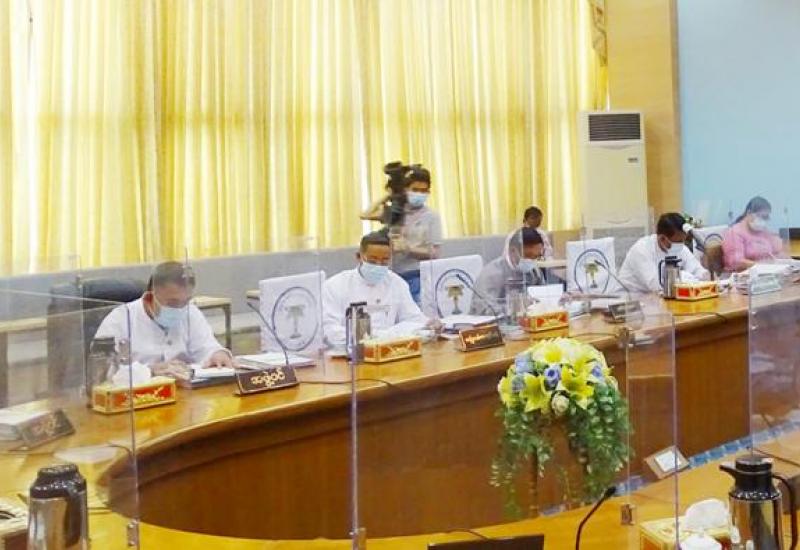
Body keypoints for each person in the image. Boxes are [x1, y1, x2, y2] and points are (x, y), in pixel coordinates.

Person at [95, 261, 234, 371]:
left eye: (185, 301)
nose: (179, 309)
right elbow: (103, 371)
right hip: (139, 394)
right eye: (172, 302)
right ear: (150, 296)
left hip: (185, 392)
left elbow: (207, 347)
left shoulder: (190, 312)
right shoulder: (120, 319)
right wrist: (149, 371)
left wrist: (217, 354)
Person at [322, 231, 431, 345]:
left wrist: (428, 324)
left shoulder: (396, 283)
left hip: (389, 348)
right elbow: (329, 330)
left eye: (384, 261)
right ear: (359, 257)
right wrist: (371, 338)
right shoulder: (335, 285)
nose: (378, 266)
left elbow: (414, 319)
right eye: (372, 261)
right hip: (351, 349)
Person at [361, 165, 442, 302]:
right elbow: (365, 214)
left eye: (423, 191)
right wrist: (389, 195)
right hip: (393, 274)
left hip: (417, 275)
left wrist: (408, 248)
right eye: (415, 190)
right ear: (406, 190)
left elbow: (435, 253)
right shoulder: (396, 213)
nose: (419, 194)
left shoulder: (431, 216)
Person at [618, 213, 709, 294]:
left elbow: (697, 270)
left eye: (683, 241)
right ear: (662, 238)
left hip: (658, 297)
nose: (681, 244)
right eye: (678, 241)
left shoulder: (680, 248)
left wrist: (708, 277)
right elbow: (655, 285)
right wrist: (683, 277)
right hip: (631, 298)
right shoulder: (641, 250)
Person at [470, 228, 546, 316]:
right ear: (512, 251)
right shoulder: (492, 274)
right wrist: (514, 307)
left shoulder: (534, 272)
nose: (532, 260)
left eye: (536, 256)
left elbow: (542, 300)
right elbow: (483, 310)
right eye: (528, 255)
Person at [722, 196, 785, 272]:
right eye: (762, 216)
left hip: (763, 272)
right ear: (749, 213)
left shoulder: (762, 231)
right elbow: (736, 262)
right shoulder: (734, 232)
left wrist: (784, 260)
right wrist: (763, 267)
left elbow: (776, 250)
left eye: (766, 217)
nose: (764, 220)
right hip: (741, 275)